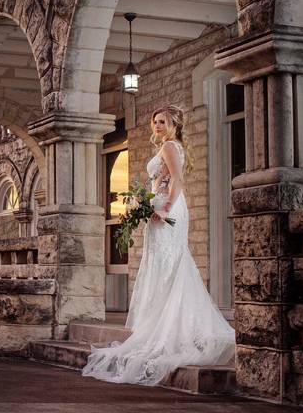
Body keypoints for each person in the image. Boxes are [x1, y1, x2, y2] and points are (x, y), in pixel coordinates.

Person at [82, 104, 235, 385]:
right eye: (155, 122)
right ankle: (165, 325)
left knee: (170, 266)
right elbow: (163, 180)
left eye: (162, 121)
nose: (157, 126)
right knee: (164, 265)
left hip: (168, 210)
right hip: (161, 207)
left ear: (175, 123)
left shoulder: (171, 147)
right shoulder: (168, 146)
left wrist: (165, 208)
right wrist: (146, 202)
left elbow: (177, 179)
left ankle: (170, 330)